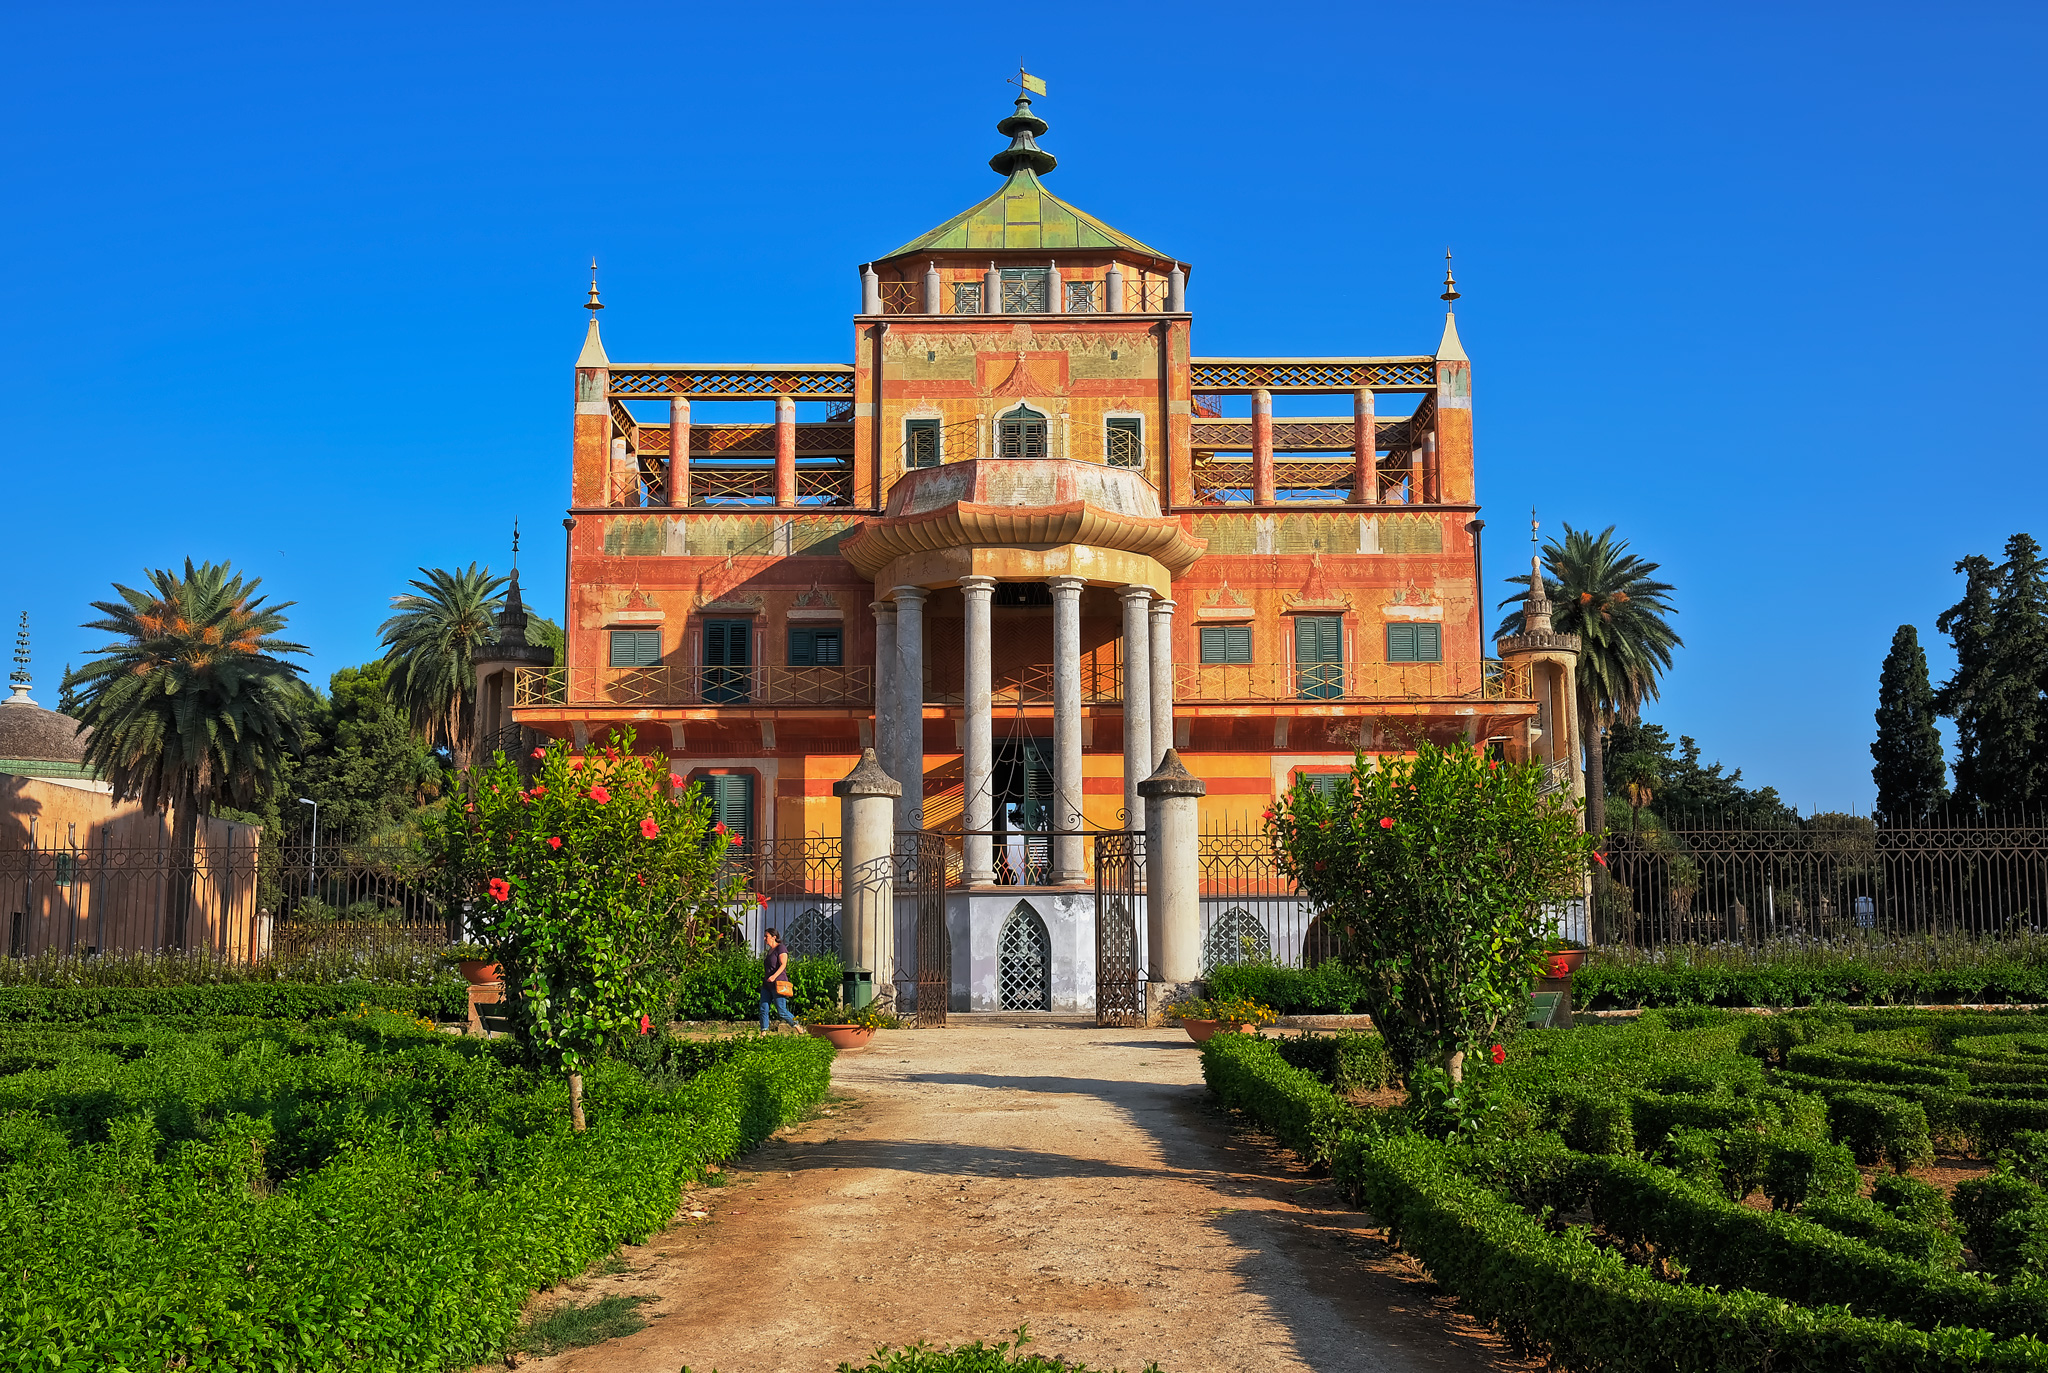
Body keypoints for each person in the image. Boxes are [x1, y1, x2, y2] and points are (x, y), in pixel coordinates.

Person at [760, 928, 800, 1032]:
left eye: (766, 936)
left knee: (781, 1010)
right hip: (767, 985)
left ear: (774, 937)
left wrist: (774, 976)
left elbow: (783, 964)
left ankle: (798, 1026)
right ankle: (763, 1032)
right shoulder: (770, 951)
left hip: (778, 984)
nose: (764, 939)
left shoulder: (781, 948)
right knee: (763, 1008)